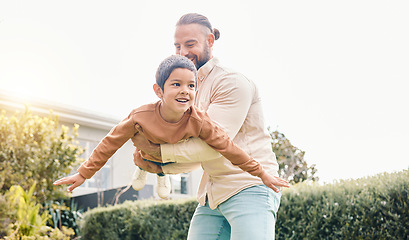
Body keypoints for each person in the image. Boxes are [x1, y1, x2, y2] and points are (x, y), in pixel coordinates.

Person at [132, 13, 286, 239]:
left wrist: (160, 155)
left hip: (249, 187)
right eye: (177, 46)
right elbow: (190, 148)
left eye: (190, 44)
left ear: (210, 41)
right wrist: (160, 166)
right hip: (211, 195)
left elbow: (212, 147)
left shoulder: (231, 82)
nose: (183, 52)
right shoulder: (188, 90)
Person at [53, 55, 289, 201]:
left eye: (191, 85)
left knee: (167, 160)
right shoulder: (139, 117)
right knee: (143, 154)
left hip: (167, 153)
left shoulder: (199, 121)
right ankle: (143, 169)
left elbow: (227, 147)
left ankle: (159, 175)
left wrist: (261, 173)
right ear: (159, 91)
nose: (185, 90)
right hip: (145, 148)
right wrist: (84, 174)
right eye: (176, 84)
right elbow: (109, 144)